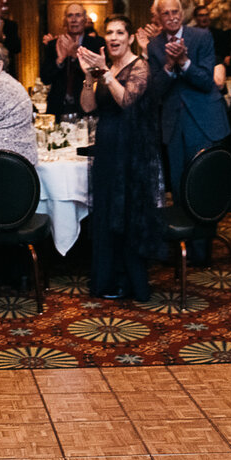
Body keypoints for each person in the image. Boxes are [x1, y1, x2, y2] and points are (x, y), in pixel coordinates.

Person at [77, 16, 163, 300]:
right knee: (105, 210)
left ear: (129, 38)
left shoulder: (140, 66)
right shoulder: (106, 67)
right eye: (109, 33)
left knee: (125, 211)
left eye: (120, 33)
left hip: (131, 150)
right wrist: (90, 77)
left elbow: (127, 101)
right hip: (106, 146)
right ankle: (108, 280)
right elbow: (88, 107)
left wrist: (107, 74)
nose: (113, 38)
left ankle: (130, 281)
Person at [146, 0, 230, 260]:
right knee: (180, 184)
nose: (171, 17)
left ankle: (203, 249)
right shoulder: (155, 46)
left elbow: (207, 81)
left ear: (182, 14)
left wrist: (184, 62)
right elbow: (156, 89)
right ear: (158, 18)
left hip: (204, 120)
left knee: (203, 185)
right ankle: (186, 246)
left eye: (175, 12)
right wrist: (170, 66)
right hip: (173, 123)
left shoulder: (201, 37)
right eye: (166, 13)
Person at [37, 2, 105, 119]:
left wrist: (74, 58)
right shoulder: (53, 44)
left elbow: (99, 77)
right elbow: (45, 78)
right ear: (65, 20)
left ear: (84, 19)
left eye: (78, 15)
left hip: (85, 108)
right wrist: (60, 60)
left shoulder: (96, 44)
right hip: (57, 108)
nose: (74, 19)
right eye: (70, 15)